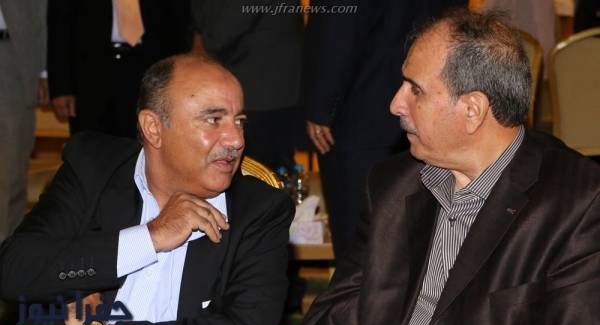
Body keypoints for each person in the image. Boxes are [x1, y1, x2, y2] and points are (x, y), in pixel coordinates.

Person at [282, 8, 600, 325]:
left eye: (414, 90)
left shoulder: (577, 202)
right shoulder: (393, 184)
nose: (395, 104)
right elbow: (339, 311)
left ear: (472, 110)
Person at [0, 55, 294, 325]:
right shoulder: (94, 168)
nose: (235, 140)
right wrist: (149, 238)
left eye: (238, 121)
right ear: (153, 128)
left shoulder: (259, 211)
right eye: (213, 119)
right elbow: (14, 269)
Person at [303, 0, 466, 259]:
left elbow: (336, 31)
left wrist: (319, 106)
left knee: (359, 243)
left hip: (361, 111)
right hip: (433, 107)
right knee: (420, 235)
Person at [47, 0, 192, 138]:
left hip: (150, 67)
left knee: (146, 139)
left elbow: (179, 19)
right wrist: (61, 86)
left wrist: (179, 77)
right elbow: (60, 23)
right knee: (90, 144)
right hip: (90, 72)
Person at [191, 0, 304, 171]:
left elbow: (223, 31)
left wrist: (199, 48)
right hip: (269, 87)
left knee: (256, 172)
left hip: (259, 89)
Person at [0, 0, 47, 242]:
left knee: (11, 169)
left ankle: (6, 247)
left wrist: (44, 71)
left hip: (12, 55)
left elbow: (41, 12)